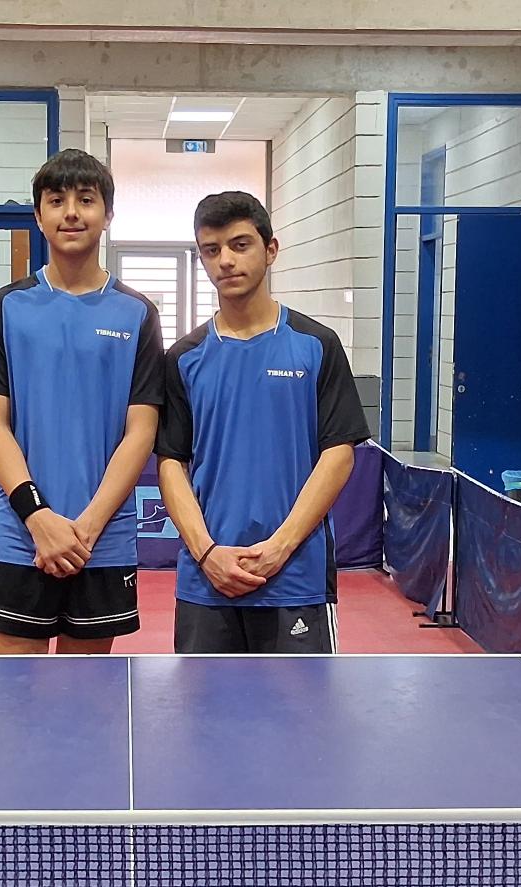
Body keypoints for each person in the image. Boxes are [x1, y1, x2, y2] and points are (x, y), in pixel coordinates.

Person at [0, 149, 164, 654]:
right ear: (39, 216)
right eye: (56, 201)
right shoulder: (6, 307)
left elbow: (141, 431)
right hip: (20, 536)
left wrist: (86, 530)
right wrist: (38, 519)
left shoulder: (138, 313)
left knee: (87, 694)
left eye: (86, 200)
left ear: (108, 214)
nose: (71, 213)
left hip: (103, 541)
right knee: (14, 691)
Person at [156, 191, 370, 653]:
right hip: (207, 581)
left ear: (270, 249)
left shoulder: (317, 345)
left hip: (296, 579)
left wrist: (279, 548)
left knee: (299, 704)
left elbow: (338, 455)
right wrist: (207, 553)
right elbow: (171, 462)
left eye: (240, 245)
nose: (225, 261)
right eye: (211, 250)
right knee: (201, 704)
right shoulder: (183, 358)